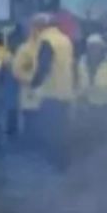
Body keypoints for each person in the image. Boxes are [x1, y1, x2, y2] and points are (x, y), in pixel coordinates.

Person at [28, 13, 75, 170]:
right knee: (62, 130)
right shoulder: (65, 39)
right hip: (65, 92)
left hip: (51, 93)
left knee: (50, 131)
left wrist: (33, 84)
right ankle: (65, 163)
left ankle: (55, 165)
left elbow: (43, 66)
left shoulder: (46, 40)